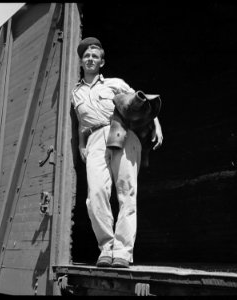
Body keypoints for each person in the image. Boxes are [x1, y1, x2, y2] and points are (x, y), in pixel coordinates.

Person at [71, 37, 163, 268]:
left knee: (126, 192)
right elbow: (81, 122)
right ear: (81, 62)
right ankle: (107, 247)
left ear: (101, 62)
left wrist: (157, 124)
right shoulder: (75, 94)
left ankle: (122, 251)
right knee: (96, 195)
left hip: (121, 132)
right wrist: (82, 144)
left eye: (95, 56)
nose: (90, 59)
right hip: (93, 141)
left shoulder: (115, 83)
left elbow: (142, 102)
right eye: (86, 56)